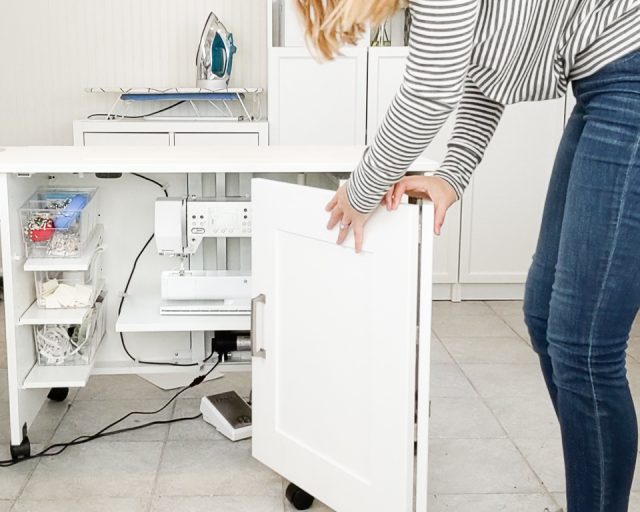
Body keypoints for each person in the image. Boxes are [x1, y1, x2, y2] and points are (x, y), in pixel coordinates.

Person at [295, 0, 640, 510]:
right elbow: (487, 79)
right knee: (547, 318)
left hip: (627, 78)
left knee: (585, 348)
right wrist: (451, 175)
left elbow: (428, 97)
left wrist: (360, 192)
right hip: (604, 86)